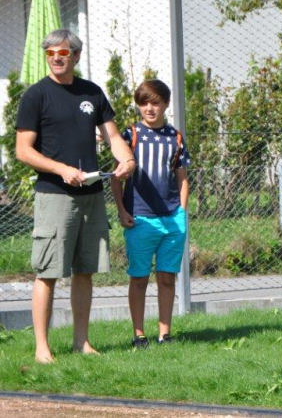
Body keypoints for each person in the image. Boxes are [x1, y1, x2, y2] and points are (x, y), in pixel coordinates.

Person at [16, 29, 137, 363]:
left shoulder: (92, 92)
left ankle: (81, 342)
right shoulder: (36, 96)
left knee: (85, 271)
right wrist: (61, 169)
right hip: (55, 195)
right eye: (50, 52)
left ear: (76, 56)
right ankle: (42, 348)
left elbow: (113, 137)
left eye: (63, 53)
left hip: (92, 194)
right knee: (48, 272)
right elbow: (23, 150)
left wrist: (127, 159)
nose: (56, 58)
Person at [109, 79, 190, 349]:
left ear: (166, 104)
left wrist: (181, 212)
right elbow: (116, 178)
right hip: (140, 218)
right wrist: (122, 211)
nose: (149, 108)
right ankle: (139, 334)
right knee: (139, 278)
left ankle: (165, 334)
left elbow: (182, 178)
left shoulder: (175, 137)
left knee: (167, 277)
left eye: (155, 103)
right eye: (144, 103)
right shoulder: (130, 135)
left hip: (172, 218)